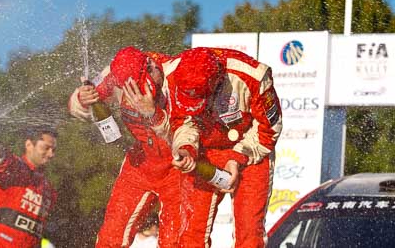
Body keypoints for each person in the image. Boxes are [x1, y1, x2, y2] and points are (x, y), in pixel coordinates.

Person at [164, 47, 283, 248]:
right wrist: (186, 148)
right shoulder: (172, 73)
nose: (197, 106)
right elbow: (182, 120)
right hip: (205, 151)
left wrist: (238, 157)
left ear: (217, 81)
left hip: (250, 150)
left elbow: (269, 130)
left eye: (199, 100)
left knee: (249, 236)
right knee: (191, 232)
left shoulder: (253, 75)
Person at [68, 46, 182, 248]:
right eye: (130, 90)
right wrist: (81, 100)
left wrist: (153, 113)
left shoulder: (177, 73)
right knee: (110, 237)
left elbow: (191, 136)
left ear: (150, 66)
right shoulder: (114, 75)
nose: (137, 95)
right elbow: (77, 106)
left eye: (141, 88)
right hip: (140, 164)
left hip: (178, 168)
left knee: (175, 241)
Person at [0, 126, 58, 248]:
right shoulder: (14, 168)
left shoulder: (49, 189)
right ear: (29, 145)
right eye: (46, 148)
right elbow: (1, 159)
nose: (51, 154)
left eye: (53, 150)